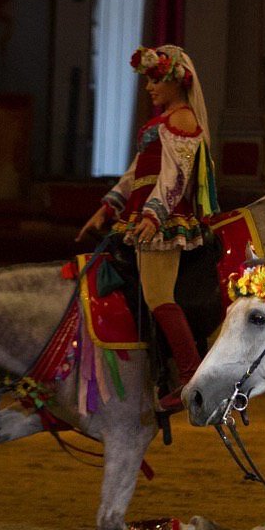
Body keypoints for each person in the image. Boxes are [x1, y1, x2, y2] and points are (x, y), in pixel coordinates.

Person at [77, 44, 218, 413]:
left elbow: (176, 176)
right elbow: (136, 172)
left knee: (159, 297)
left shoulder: (183, 119)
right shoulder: (163, 121)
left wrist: (154, 214)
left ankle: (190, 377)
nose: (149, 87)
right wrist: (109, 207)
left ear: (175, 80)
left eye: (155, 79)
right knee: (146, 295)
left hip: (165, 220)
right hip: (145, 217)